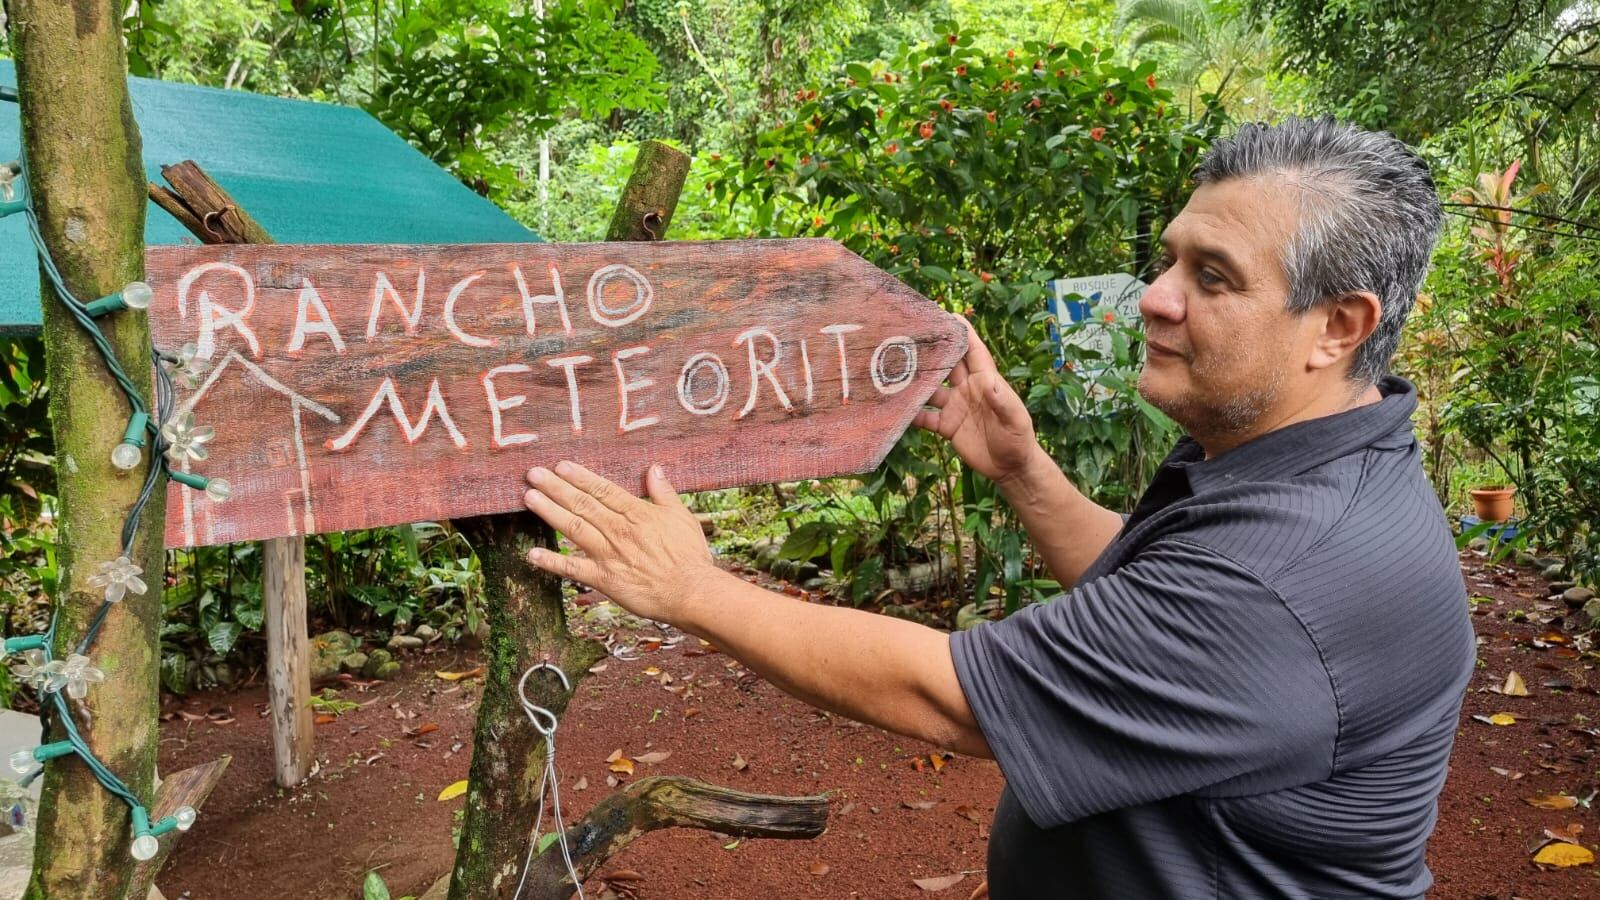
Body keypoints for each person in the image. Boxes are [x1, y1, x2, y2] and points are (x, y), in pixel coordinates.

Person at [519, 118, 1475, 899]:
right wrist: (1024, 472)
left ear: (1337, 326)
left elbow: (948, 698)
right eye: (1170, 260)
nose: (1155, 297)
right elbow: (1155, 590)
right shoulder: (1309, 454)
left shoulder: (1286, 578)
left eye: (1212, 277)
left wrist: (694, 589)